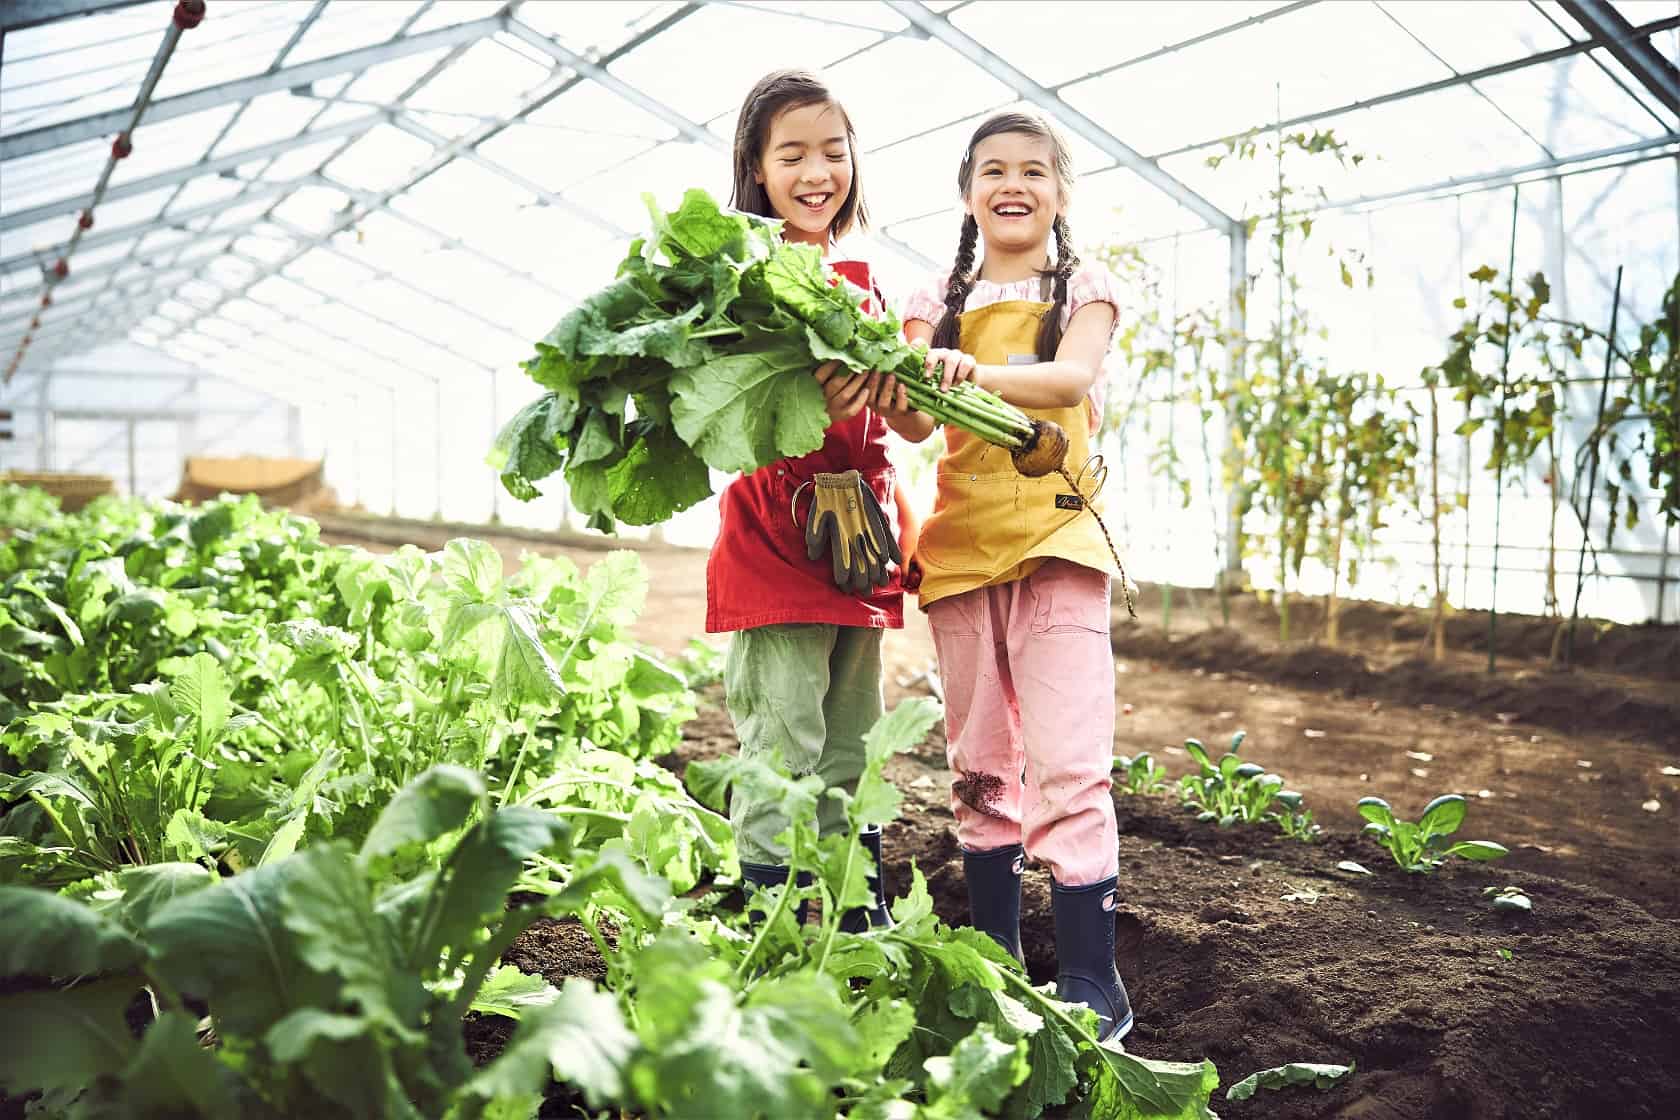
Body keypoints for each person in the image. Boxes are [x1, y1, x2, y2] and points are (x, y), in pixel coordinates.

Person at [897, 110, 1134, 1040]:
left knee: (1071, 766)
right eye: (993, 170)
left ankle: (1091, 979)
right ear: (967, 194)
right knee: (981, 766)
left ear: (1059, 194)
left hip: (1058, 544)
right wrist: (905, 373)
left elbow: (1071, 382)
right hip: (960, 556)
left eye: (1034, 172)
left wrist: (964, 374)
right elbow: (914, 424)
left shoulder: (1086, 288)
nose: (1013, 185)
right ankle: (996, 965)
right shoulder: (933, 294)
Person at [709, 69, 920, 931]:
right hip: (777, 537)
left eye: (834, 151)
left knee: (849, 746)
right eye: (791, 154)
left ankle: (848, 915)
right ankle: (774, 923)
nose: (817, 171)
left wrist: (907, 387)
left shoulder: (867, 281)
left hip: (858, 541)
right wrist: (806, 407)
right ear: (757, 170)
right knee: (782, 742)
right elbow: (721, 430)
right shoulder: (734, 277)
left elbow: (908, 427)